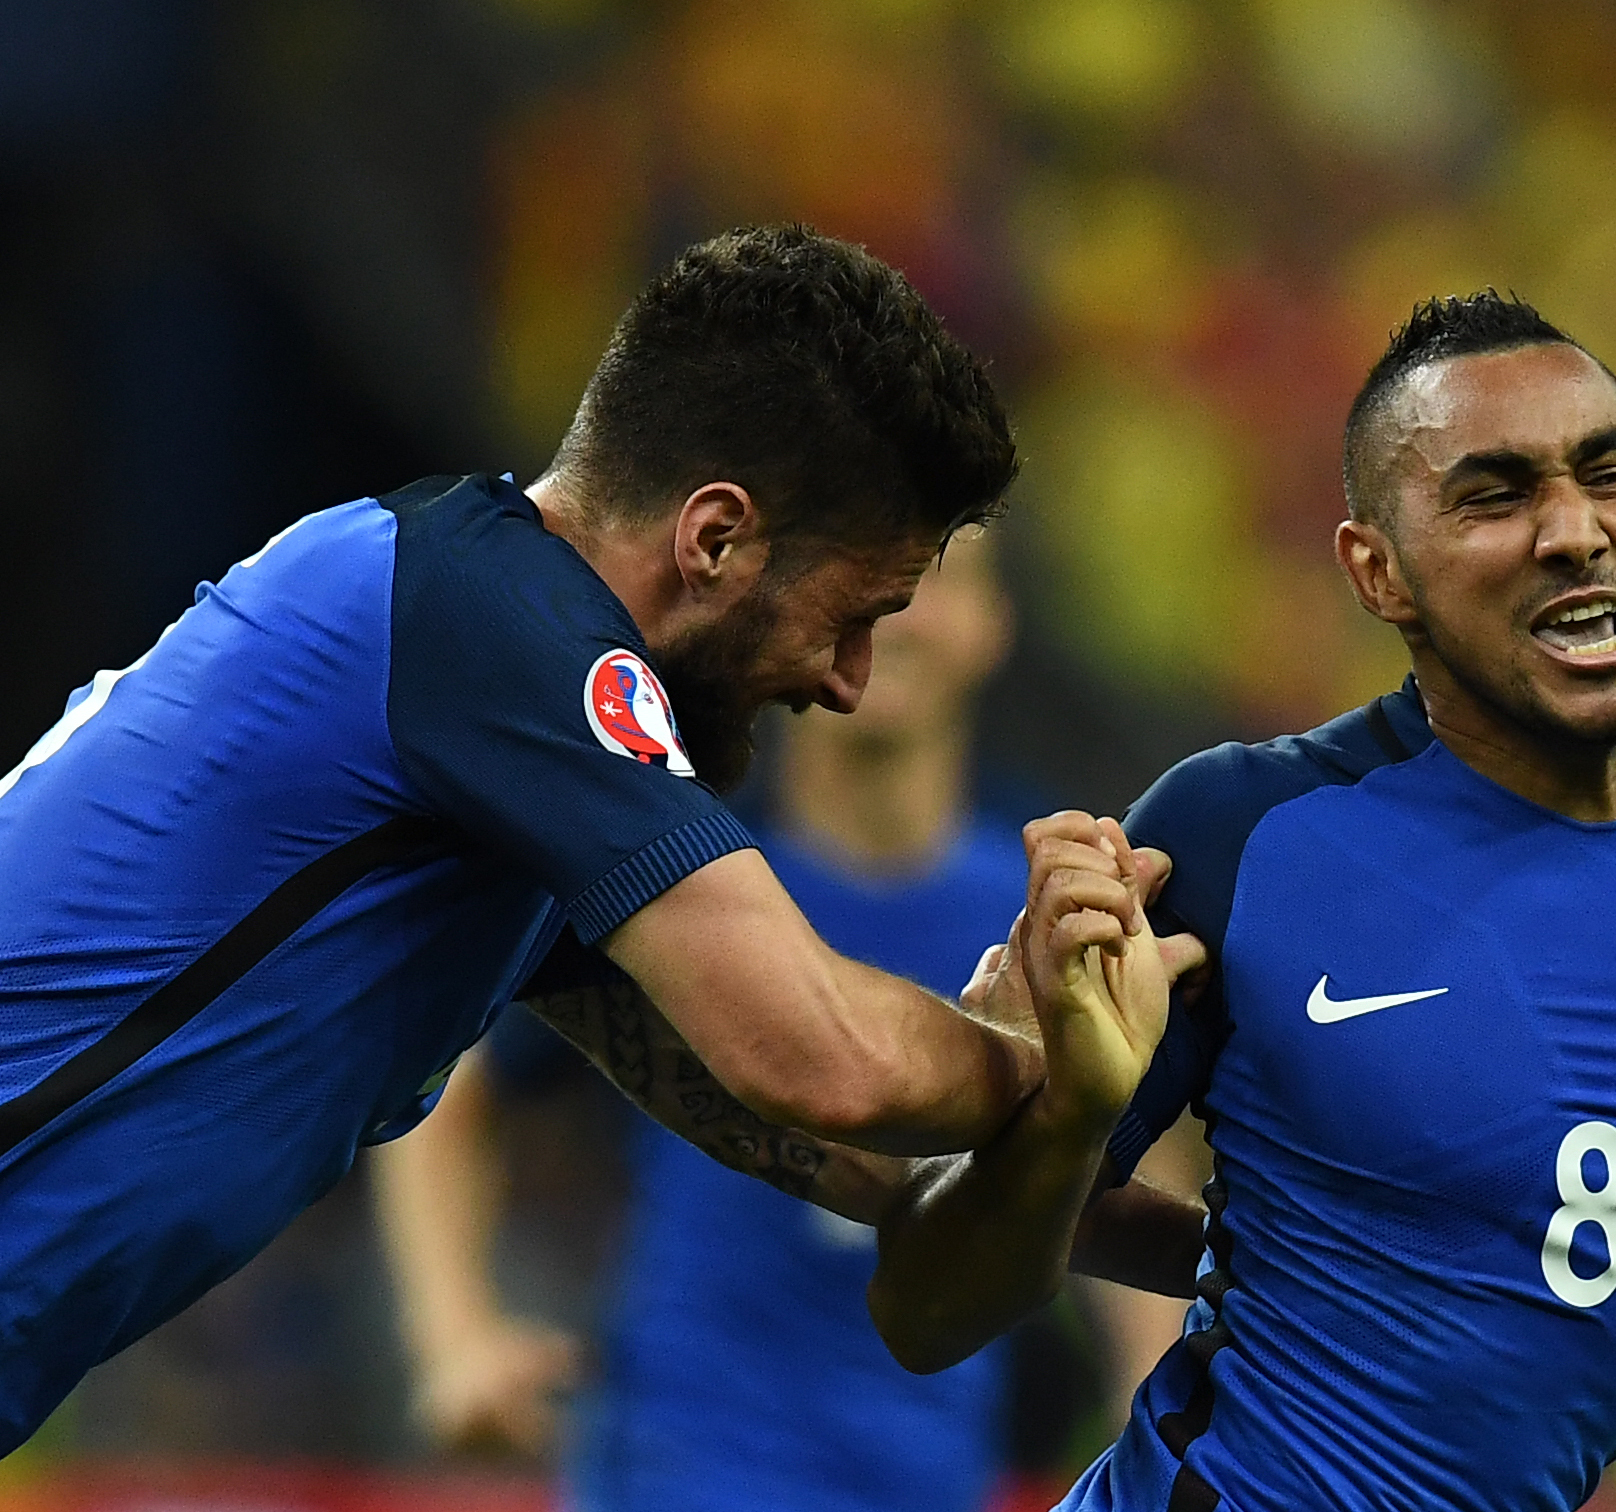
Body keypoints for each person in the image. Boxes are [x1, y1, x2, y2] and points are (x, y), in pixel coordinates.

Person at [0, 225, 1166, 1452]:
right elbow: (824, 1058)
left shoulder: (487, 744)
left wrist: (1265, 1233)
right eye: (854, 615)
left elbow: (859, 1162)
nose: (849, 683)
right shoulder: (498, 631)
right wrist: (1052, 1054)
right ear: (713, 539)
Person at [863, 292, 1616, 1512]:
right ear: (1378, 573)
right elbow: (927, 1310)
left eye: (1608, 473)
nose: (1575, 530)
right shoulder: (1233, 845)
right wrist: (1064, 1119)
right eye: (1495, 494)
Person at [374, 541, 1194, 1511]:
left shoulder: (1058, 904)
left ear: (993, 624)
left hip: (928, 1484)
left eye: (937, 579)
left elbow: (1124, 1176)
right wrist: (453, 1340)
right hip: (681, 1474)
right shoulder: (677, 875)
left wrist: (1161, 1437)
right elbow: (449, 1085)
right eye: (871, 575)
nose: (898, 613)